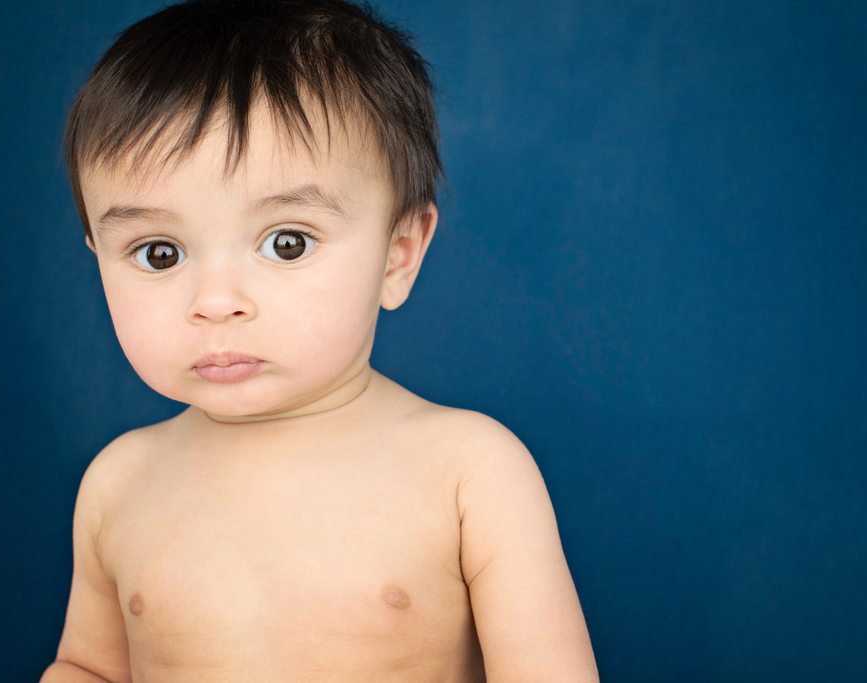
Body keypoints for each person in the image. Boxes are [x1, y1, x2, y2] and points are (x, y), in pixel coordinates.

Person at [41, 1, 599, 680]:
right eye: (159, 253)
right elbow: (88, 665)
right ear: (98, 253)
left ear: (397, 255)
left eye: (287, 242)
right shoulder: (117, 483)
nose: (216, 302)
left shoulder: (469, 471)